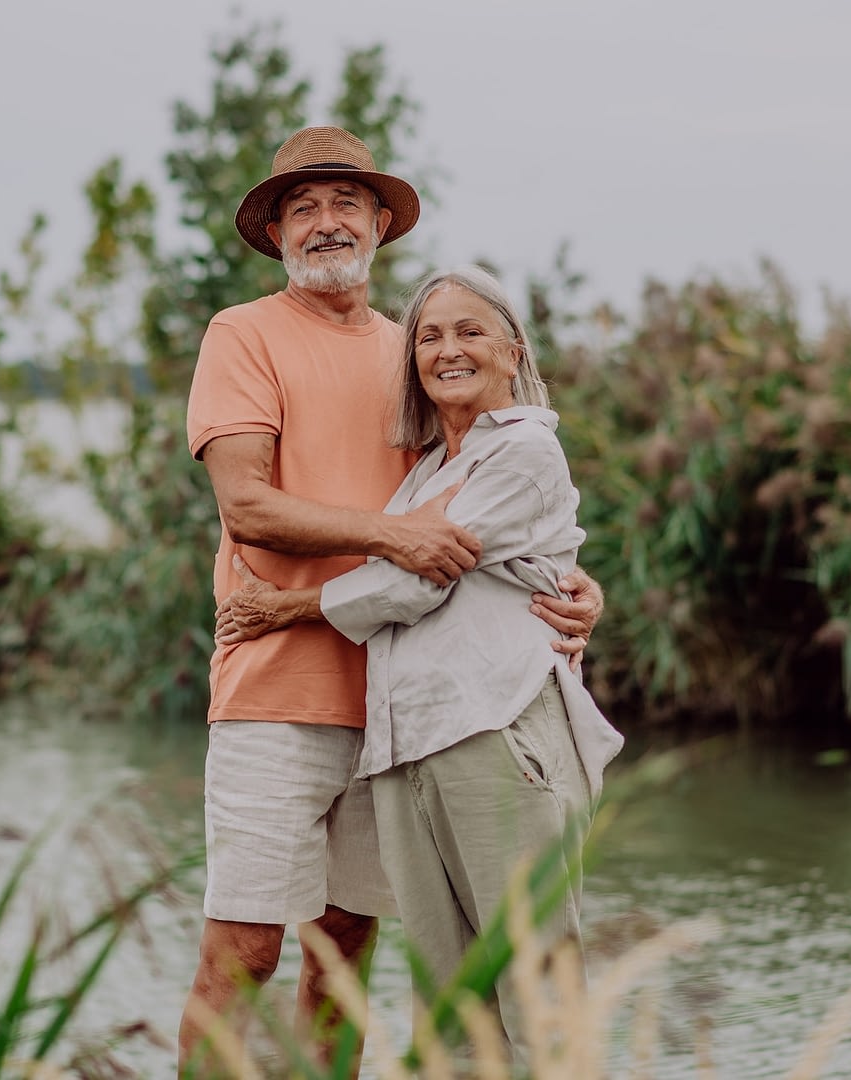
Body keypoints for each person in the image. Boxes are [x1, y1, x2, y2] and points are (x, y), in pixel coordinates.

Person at [180, 127, 604, 1072]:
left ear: (379, 221)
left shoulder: (414, 350)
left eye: (344, 203)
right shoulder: (242, 335)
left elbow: (493, 499)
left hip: (400, 708)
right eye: (303, 207)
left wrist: (578, 583)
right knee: (244, 950)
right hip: (273, 690)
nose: (326, 222)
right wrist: (387, 535)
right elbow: (246, 506)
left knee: (344, 954)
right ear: (277, 231)